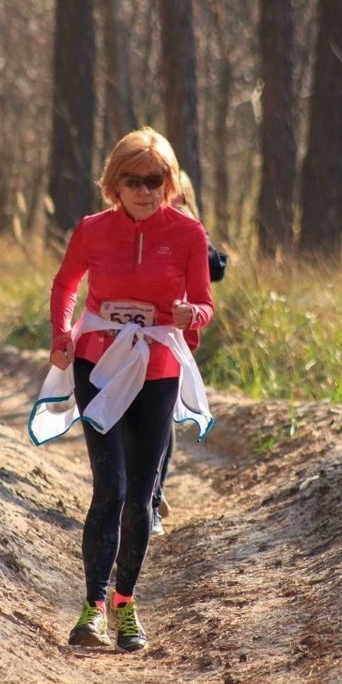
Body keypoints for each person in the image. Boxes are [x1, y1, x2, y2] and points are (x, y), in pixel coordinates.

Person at [27, 127, 214, 652]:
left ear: (169, 183)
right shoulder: (91, 230)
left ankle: (125, 606)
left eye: (154, 180)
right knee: (109, 488)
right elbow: (66, 286)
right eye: (132, 180)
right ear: (114, 184)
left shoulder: (188, 234)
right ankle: (91, 607)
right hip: (97, 364)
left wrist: (189, 313)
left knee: (140, 498)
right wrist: (61, 333)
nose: (144, 190)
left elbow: (204, 303)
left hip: (156, 369)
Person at [151, 171, 228, 536]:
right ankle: (138, 492)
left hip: (179, 344)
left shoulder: (193, 233)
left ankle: (154, 494)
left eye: (178, 200)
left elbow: (215, 269)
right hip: (136, 339)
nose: (170, 207)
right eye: (167, 200)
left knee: (163, 419)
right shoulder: (144, 230)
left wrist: (192, 232)